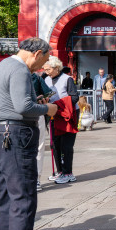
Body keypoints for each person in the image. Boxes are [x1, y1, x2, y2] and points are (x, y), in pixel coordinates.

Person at [0, 37, 58, 230]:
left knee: (5, 198)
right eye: (44, 60)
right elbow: (23, 107)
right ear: (37, 54)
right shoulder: (21, 70)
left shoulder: (0, 66)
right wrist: (48, 108)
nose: (43, 66)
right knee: (23, 199)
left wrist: (35, 101)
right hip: (14, 136)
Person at [43, 56, 79, 185]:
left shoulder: (67, 79)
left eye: (48, 69)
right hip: (53, 114)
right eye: (45, 69)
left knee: (66, 145)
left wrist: (57, 105)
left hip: (67, 113)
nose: (46, 71)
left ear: (56, 68)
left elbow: (74, 97)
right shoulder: (45, 79)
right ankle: (60, 171)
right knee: (55, 144)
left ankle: (68, 172)